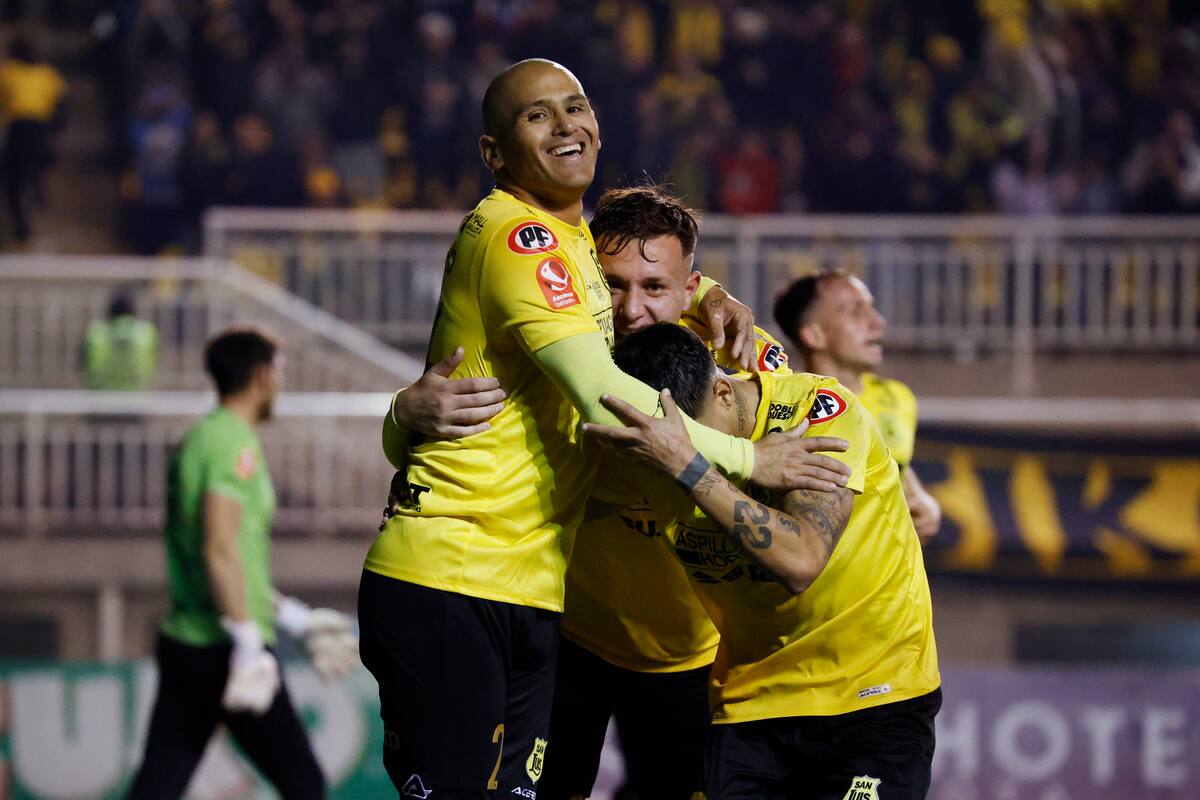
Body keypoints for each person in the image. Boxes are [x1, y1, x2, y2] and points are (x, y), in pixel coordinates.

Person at [359, 59, 847, 798]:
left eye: (576, 106)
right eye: (537, 115)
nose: (630, 306)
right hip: (495, 592)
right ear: (493, 152)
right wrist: (751, 459)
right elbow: (600, 394)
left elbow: (628, 270)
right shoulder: (530, 247)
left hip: (606, 624)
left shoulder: (630, 285)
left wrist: (710, 295)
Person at [539, 185, 827, 800]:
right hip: (567, 642)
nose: (631, 309)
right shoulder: (557, 349)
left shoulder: (746, 362)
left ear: (687, 286)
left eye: (654, 288)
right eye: (613, 284)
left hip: (691, 661)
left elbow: (803, 459)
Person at [588, 322, 941, 800]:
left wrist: (689, 466)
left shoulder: (816, 413)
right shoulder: (645, 449)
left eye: (697, 436)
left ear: (724, 392)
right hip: (751, 702)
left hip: (873, 695)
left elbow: (801, 560)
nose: (694, 451)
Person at [127, 327, 358, 800]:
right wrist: (249, 643)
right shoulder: (233, 444)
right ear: (260, 376)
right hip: (225, 651)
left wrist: (293, 619)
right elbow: (218, 548)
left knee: (156, 788)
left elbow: (228, 560)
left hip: (191, 642)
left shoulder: (207, 437)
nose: (281, 383)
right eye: (279, 371)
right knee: (304, 784)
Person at [774, 271, 942, 543]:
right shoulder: (789, 408)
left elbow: (896, 465)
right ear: (814, 335)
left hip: (890, 581)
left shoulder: (897, 397)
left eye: (871, 308)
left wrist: (921, 498)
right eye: (855, 311)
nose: (877, 321)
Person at [0, 32, 66, 244]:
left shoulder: (9, 72)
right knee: (18, 177)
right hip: (38, 131)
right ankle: (33, 195)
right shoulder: (47, 74)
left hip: (24, 130)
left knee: (13, 180)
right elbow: (63, 105)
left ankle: (24, 218)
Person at [82, 290, 159, 390]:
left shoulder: (95, 333)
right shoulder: (147, 333)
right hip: (138, 397)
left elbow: (83, 366)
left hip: (101, 396)